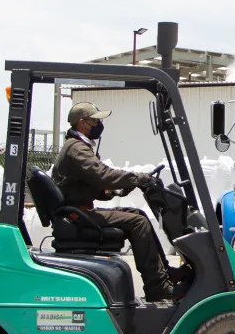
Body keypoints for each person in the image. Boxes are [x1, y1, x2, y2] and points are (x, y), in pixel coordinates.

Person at [52, 102, 188, 302]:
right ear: (82, 123)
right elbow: (102, 174)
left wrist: (118, 189)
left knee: (138, 215)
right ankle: (156, 286)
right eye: (95, 120)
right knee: (138, 223)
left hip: (77, 210)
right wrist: (137, 178)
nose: (99, 124)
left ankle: (164, 273)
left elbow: (91, 183)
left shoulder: (77, 147)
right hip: (76, 215)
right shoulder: (77, 149)